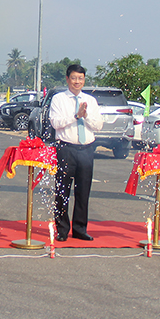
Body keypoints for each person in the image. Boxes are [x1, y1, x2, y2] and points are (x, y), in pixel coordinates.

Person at [50, 64, 103, 241]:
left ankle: (80, 228)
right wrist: (76, 116)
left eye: (80, 78)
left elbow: (98, 125)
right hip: (66, 149)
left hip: (86, 149)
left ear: (84, 80)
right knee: (62, 191)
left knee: (83, 191)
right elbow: (55, 123)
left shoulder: (91, 100)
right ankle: (62, 229)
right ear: (67, 79)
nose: (77, 82)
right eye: (74, 78)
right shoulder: (59, 99)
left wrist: (86, 115)